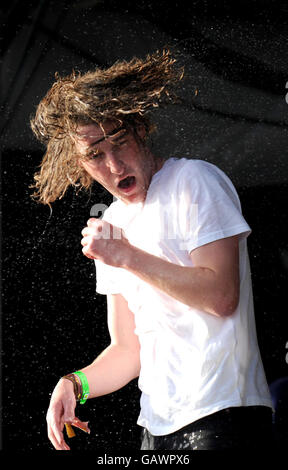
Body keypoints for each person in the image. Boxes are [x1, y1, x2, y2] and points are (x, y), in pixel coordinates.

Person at [30, 50, 273, 451]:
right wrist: (76, 383)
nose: (113, 163)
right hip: (156, 428)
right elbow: (128, 351)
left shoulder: (193, 181)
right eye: (95, 155)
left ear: (140, 129)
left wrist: (127, 256)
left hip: (223, 414)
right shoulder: (112, 224)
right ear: (80, 163)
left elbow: (222, 297)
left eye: (120, 142)